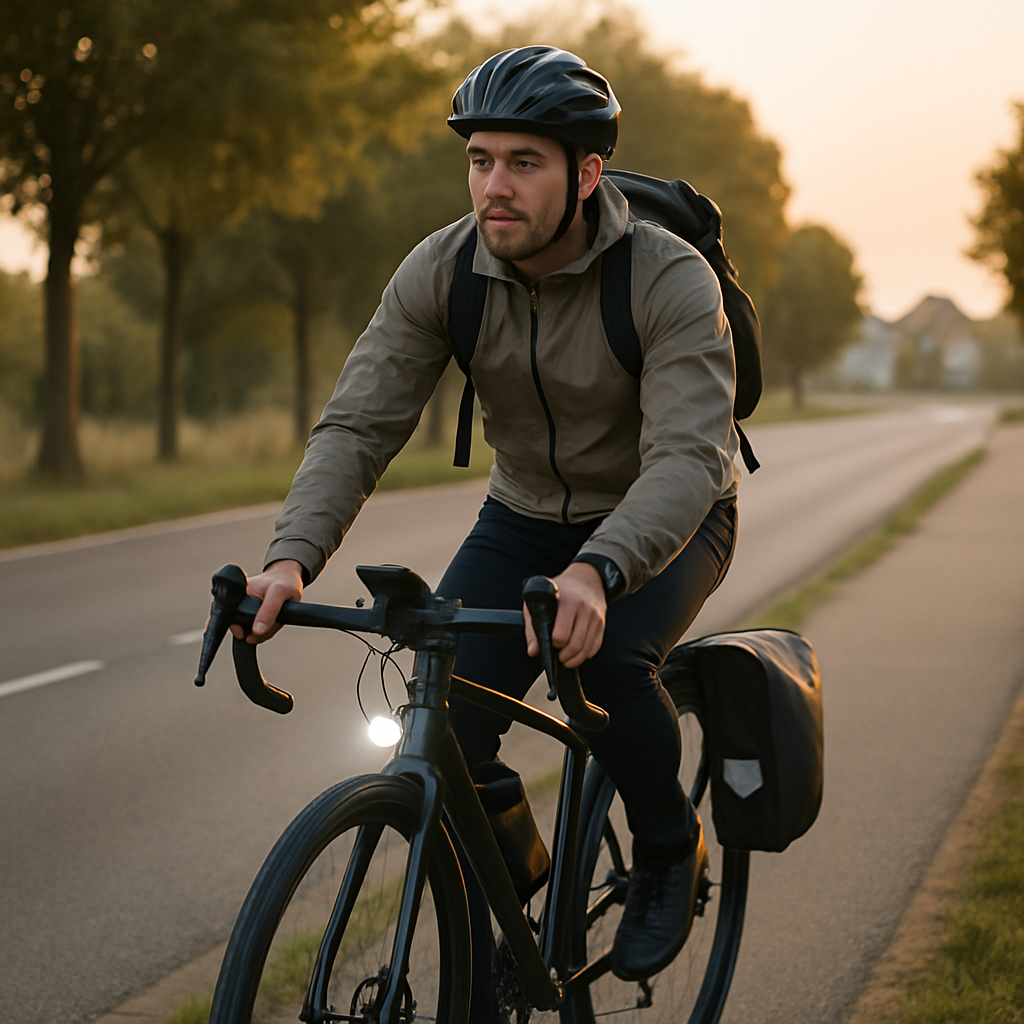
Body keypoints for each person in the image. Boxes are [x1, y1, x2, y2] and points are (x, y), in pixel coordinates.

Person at [234, 44, 740, 1020]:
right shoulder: (445, 268)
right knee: (452, 723)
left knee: (607, 666)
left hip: (668, 515)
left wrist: (599, 572)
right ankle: (515, 895)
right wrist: (289, 562)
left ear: (586, 174)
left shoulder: (666, 279)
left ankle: (670, 849)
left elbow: (683, 457)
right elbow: (359, 422)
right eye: (480, 160)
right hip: (523, 516)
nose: (493, 186)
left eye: (523, 163)